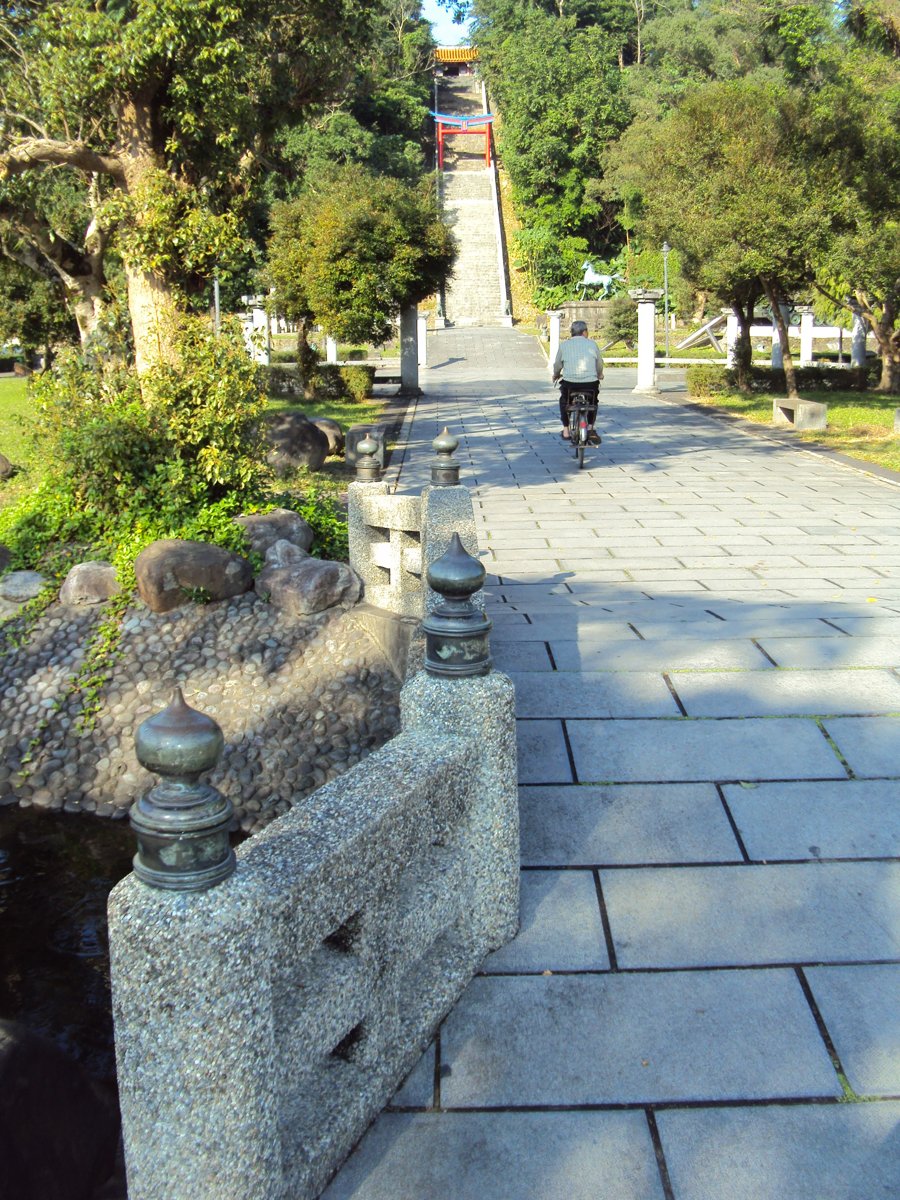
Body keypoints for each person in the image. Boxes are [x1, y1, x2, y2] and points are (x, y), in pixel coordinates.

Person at [551, 320, 603, 441]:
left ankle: (566, 430)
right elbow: (599, 363)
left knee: (564, 402)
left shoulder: (564, 345)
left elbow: (557, 364)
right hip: (590, 384)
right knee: (593, 402)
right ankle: (590, 428)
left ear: (572, 333)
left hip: (570, 384)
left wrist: (556, 375)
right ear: (585, 332)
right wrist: (599, 374)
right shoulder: (592, 345)